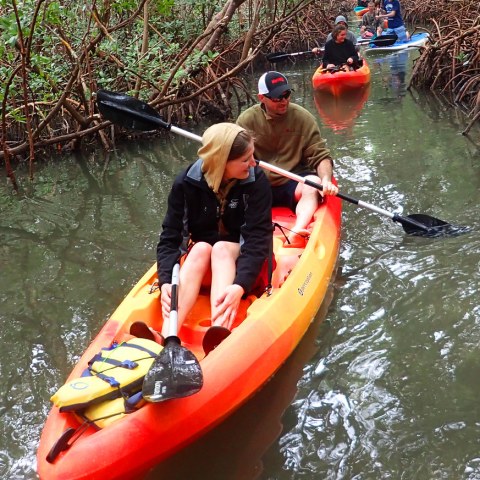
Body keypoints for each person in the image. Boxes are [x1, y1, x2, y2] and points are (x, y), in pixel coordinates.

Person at [156, 123, 273, 344]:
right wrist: (164, 282)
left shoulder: (256, 181)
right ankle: (167, 336)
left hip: (245, 266)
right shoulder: (185, 183)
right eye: (246, 159)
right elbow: (170, 238)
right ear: (222, 162)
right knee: (200, 248)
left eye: (252, 156)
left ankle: (218, 333)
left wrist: (240, 286)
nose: (254, 163)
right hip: (206, 265)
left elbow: (258, 240)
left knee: (220, 249)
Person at [236, 71, 338, 245]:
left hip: (293, 180)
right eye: (277, 98)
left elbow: (320, 154)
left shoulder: (303, 118)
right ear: (262, 98)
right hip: (259, 183)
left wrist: (326, 179)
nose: (284, 101)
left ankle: (298, 230)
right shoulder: (246, 120)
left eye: (287, 94)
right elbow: (235, 158)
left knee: (312, 183)